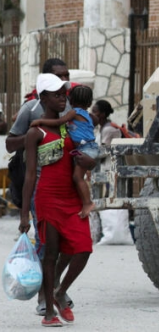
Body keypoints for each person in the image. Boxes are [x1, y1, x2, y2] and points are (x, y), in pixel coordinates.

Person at [18, 73, 96, 327]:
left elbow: (88, 156)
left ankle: (60, 291)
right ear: (43, 98)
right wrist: (24, 215)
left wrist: (91, 162)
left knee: (83, 248)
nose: (63, 98)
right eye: (56, 94)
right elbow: (30, 176)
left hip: (72, 198)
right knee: (50, 254)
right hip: (47, 198)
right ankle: (49, 312)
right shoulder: (35, 132)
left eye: (64, 94)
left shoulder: (70, 126)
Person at [5, 58, 76, 315]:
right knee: (48, 244)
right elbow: (11, 144)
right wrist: (39, 133)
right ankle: (45, 298)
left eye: (66, 76)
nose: (64, 81)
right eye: (59, 76)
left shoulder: (70, 106)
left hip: (69, 185)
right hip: (41, 186)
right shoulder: (31, 109)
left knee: (74, 243)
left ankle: (56, 285)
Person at [31, 85, 98, 218]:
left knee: (77, 177)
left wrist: (40, 121)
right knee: (77, 176)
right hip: (88, 147)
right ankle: (83, 201)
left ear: (70, 101)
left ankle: (87, 203)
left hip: (85, 149)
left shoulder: (75, 112)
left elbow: (59, 121)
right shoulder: (87, 115)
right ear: (90, 103)